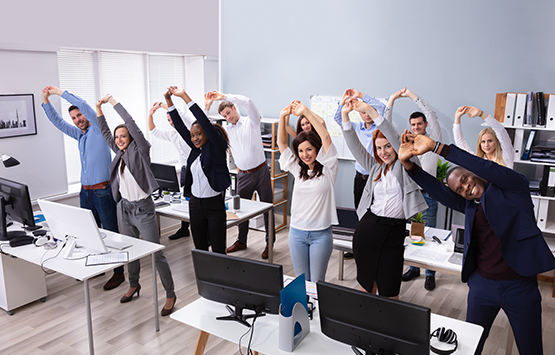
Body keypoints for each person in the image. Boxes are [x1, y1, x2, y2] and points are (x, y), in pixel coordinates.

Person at [397, 132, 555, 354]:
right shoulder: (470, 206)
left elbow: (486, 168)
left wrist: (437, 147)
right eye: (460, 190)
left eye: (465, 179)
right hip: (482, 286)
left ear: (474, 173)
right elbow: (439, 192)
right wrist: (409, 166)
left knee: (531, 350)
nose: (466, 187)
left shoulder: (513, 187)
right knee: (470, 347)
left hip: (519, 287)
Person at [96, 94, 177, 316]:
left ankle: (170, 294)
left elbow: (130, 122)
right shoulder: (119, 153)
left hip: (143, 210)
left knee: (156, 253)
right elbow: (104, 132)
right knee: (128, 250)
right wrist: (98, 109)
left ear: (131, 137)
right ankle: (134, 285)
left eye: (123, 136)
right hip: (124, 209)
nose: (120, 139)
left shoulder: (140, 149)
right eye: (117, 137)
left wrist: (112, 102)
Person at [40, 86, 124, 291]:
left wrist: (60, 93)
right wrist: (45, 101)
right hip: (85, 192)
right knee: (89, 233)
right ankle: (98, 267)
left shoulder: (98, 129)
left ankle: (119, 273)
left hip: (102, 190)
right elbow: (58, 123)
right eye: (74, 118)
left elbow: (86, 106)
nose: (78, 119)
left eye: (80, 115)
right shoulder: (80, 135)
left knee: (110, 231)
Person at [341, 97, 427, 299]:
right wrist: (345, 114)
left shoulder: (406, 164)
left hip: (394, 233)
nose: (384, 152)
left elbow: (395, 140)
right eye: (379, 148)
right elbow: (353, 144)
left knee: (390, 293)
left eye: (388, 146)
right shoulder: (375, 168)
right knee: (366, 289)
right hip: (368, 230)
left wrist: (370, 110)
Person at [204, 91, 274, 259]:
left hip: (262, 171)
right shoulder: (226, 131)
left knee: (268, 209)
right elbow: (205, 127)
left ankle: (269, 243)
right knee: (240, 210)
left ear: (234, 108)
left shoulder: (252, 122)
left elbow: (249, 102)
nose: (227, 117)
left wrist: (224, 97)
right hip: (243, 175)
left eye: (228, 112)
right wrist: (207, 107)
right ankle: (241, 240)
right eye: (224, 115)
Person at [277, 100, 338, 282]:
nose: (305, 155)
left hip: (321, 234)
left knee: (317, 282)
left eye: (309, 149)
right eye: (301, 151)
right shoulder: (298, 168)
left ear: (317, 150)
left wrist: (306, 111)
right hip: (296, 233)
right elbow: (281, 143)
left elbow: (326, 137)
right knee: (301, 281)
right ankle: (305, 311)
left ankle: (318, 311)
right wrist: (282, 117)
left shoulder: (329, 168)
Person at [388, 87, 442, 291]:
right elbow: (387, 127)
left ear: (425, 125)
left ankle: (430, 273)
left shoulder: (433, 140)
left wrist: (411, 95)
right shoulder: (406, 144)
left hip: (429, 195)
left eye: (420, 124)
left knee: (428, 233)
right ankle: (414, 268)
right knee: (413, 234)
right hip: (411, 194)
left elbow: (431, 114)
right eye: (413, 125)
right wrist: (392, 99)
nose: (417, 127)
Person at [166, 87, 230, 253]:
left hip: (214, 205)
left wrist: (185, 97)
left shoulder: (217, 147)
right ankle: (203, 279)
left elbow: (204, 121)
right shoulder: (195, 150)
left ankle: (220, 279)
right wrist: (168, 101)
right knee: (200, 248)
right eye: (193, 135)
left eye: (199, 134)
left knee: (218, 250)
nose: (195, 138)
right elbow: (179, 126)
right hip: (195, 205)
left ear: (208, 134)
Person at [333, 89, 386, 259]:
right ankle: (359, 247)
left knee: (376, 213)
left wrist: (361, 96)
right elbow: (338, 118)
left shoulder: (380, 126)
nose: (366, 115)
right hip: (360, 177)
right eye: (362, 112)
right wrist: (343, 103)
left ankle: (375, 247)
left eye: (368, 111)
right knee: (360, 212)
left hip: (376, 178)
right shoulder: (355, 127)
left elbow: (382, 108)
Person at [148, 102, 193, 240]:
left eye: (172, 119)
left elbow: (180, 113)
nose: (171, 122)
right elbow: (154, 131)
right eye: (168, 120)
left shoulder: (191, 130)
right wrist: (150, 115)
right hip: (185, 170)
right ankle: (185, 228)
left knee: (197, 200)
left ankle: (204, 230)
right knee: (186, 199)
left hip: (196, 169)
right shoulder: (172, 134)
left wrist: (162, 105)